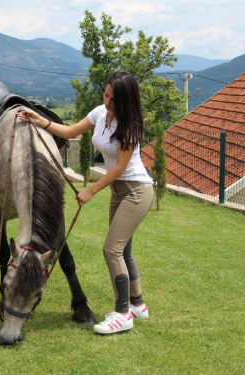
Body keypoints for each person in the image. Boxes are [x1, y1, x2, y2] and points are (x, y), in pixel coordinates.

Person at [17, 71, 154, 335]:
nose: (108, 102)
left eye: (114, 99)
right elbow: (70, 131)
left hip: (136, 190)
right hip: (119, 191)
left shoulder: (130, 125)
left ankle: (123, 314)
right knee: (123, 250)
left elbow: (119, 168)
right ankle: (137, 304)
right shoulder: (100, 113)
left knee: (111, 250)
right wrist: (39, 120)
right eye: (106, 95)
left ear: (127, 101)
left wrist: (90, 191)